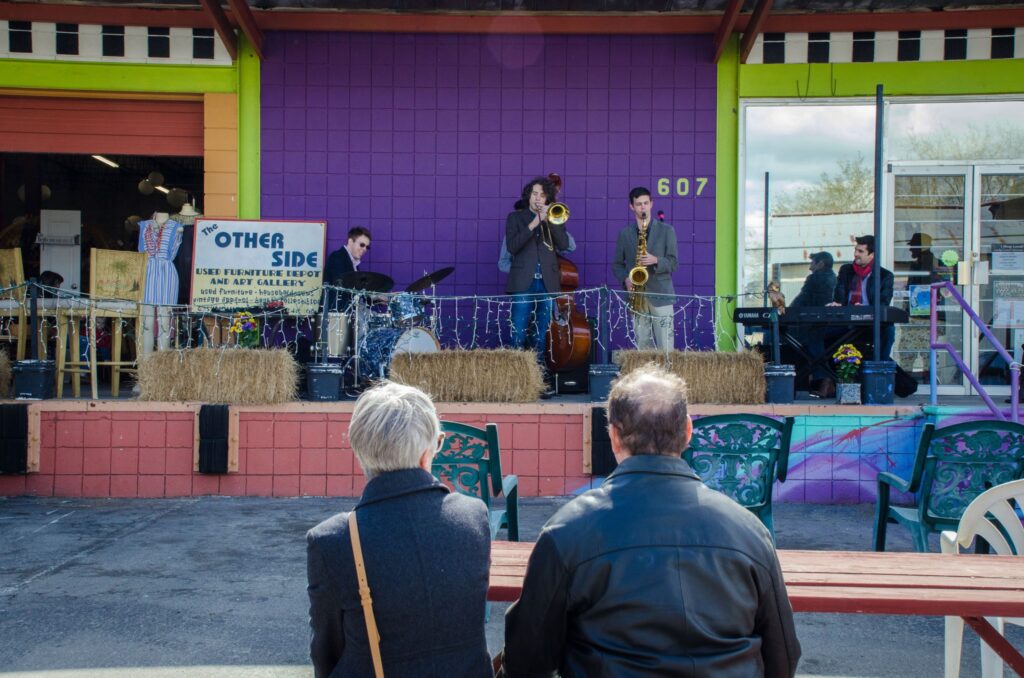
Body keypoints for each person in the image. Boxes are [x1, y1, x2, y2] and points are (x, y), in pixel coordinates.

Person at [501, 364, 801, 677]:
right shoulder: (750, 532)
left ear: (614, 436)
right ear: (687, 432)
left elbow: (528, 659)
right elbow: (783, 654)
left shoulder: (567, 532)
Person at [306, 381, 492, 677]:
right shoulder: (473, 517)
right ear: (424, 454)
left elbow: (325, 651)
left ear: (360, 453)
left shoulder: (333, 540)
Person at [809, 234, 895, 398]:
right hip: (846, 323)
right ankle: (826, 378)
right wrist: (837, 304)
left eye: (860, 251)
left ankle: (878, 378)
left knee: (888, 331)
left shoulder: (885, 276)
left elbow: (884, 303)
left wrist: (867, 308)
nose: (855, 254)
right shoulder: (846, 270)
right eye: (855, 250)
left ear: (872, 255)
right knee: (814, 333)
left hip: (868, 325)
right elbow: (839, 295)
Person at [505, 177, 570, 357]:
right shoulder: (515, 218)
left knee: (541, 337)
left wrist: (549, 221)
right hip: (523, 285)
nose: (538, 198)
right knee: (518, 334)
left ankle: (538, 381)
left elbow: (564, 244)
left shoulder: (555, 218)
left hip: (547, 285)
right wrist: (534, 223)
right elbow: (512, 247)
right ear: (529, 196)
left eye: (542, 195)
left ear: (547, 198)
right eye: (534, 194)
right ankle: (517, 380)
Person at [612, 187, 678, 351]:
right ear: (631, 207)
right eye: (639, 204)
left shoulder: (667, 230)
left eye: (646, 203)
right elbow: (617, 264)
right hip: (637, 296)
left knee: (666, 348)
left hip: (661, 295)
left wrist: (655, 260)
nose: (643, 207)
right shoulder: (624, 234)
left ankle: (667, 377)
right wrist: (625, 279)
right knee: (642, 347)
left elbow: (674, 262)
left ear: (651, 204)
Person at [138, 211, 183, 354]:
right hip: (147, 272)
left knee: (164, 321)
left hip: (167, 273)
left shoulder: (177, 227)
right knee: (147, 322)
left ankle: (161, 364)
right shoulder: (144, 226)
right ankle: (146, 364)